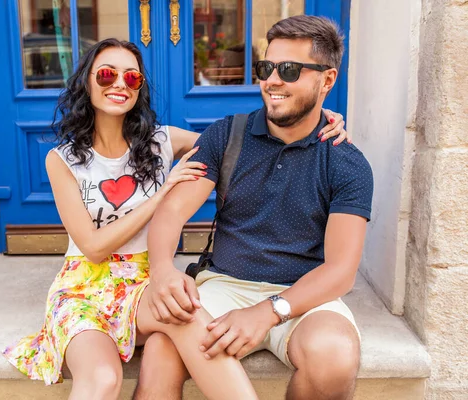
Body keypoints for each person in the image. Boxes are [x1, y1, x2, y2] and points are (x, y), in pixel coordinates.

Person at [2, 37, 349, 400]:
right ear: (87, 82)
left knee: (186, 313)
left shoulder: (162, 141)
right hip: (83, 288)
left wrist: (318, 119)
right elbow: (92, 247)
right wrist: (161, 195)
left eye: (132, 78)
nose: (119, 84)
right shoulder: (62, 160)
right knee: (103, 380)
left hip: (143, 282)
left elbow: (239, 147)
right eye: (106, 74)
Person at [137, 15, 373, 400]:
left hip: (303, 295)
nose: (272, 81)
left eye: (290, 70)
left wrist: (267, 312)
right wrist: (163, 270)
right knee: (162, 351)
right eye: (266, 67)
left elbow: (341, 271)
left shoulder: (347, 163)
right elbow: (172, 211)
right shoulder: (227, 135)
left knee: (335, 356)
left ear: (327, 80)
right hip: (224, 285)